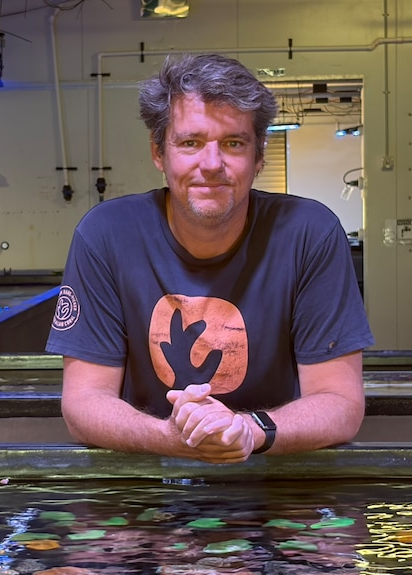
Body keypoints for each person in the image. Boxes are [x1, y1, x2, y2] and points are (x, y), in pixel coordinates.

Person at [45, 53, 374, 464]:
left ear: (259, 156)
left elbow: (340, 402)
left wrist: (248, 431)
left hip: (275, 477)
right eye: (191, 143)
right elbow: (83, 402)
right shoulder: (105, 235)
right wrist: (169, 437)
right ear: (159, 153)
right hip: (148, 481)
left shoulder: (310, 233)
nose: (212, 164)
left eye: (233, 143)